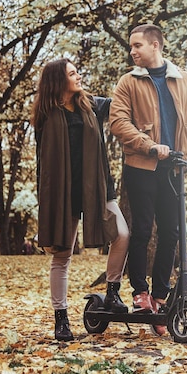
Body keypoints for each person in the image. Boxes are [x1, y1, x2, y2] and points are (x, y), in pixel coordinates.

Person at [110, 24, 187, 335]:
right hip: (141, 166)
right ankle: (140, 294)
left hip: (175, 169)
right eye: (131, 46)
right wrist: (149, 144)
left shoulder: (184, 80)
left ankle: (159, 295)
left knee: (172, 232)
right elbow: (118, 122)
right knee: (143, 230)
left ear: (155, 45)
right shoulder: (128, 82)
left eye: (137, 45)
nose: (133, 51)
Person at [31, 58, 131, 342]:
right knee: (61, 257)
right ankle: (61, 318)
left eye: (76, 72)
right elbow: (43, 162)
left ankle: (112, 292)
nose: (78, 76)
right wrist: (47, 201)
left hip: (98, 188)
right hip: (63, 193)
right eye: (72, 73)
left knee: (122, 234)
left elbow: (123, 105)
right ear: (58, 81)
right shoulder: (46, 115)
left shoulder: (93, 105)